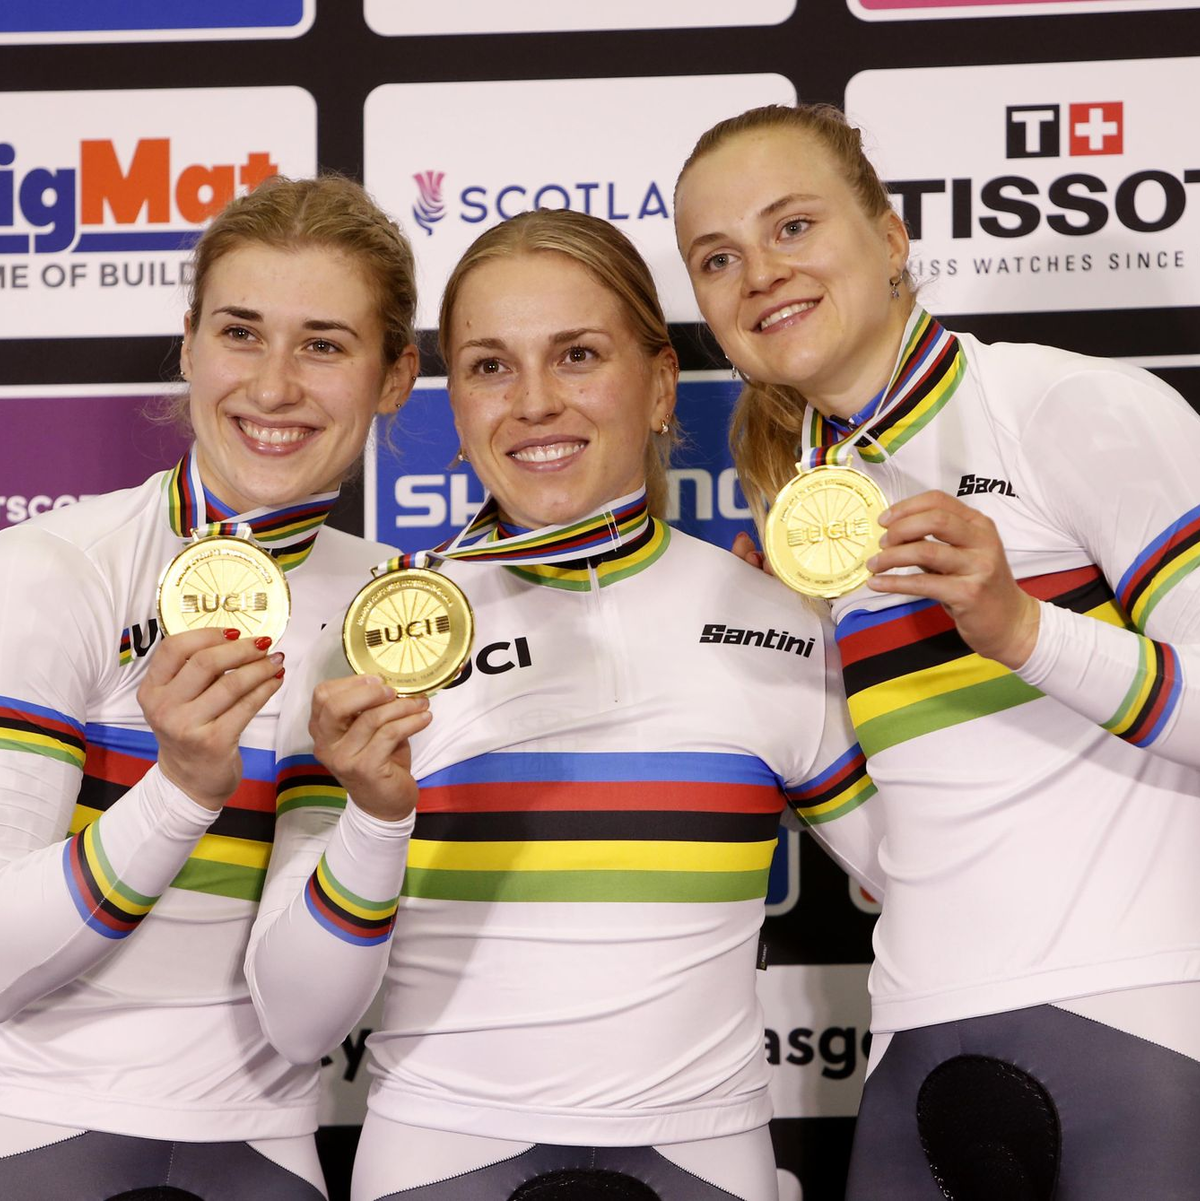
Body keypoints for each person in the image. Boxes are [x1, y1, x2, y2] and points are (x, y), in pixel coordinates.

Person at [244, 207, 884, 1201]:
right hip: (441, 1161)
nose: (535, 401)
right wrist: (373, 814)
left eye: (578, 354)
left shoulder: (776, 621)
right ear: (455, 403)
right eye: (492, 366)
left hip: (704, 1161)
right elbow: (295, 1020)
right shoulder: (380, 635)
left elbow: (928, 883)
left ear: (662, 382)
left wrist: (881, 642)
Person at [673, 102, 1200, 1199]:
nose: (760, 272)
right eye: (718, 257)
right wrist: (792, 676)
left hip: (1138, 1028)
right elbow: (897, 846)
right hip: (913, 1047)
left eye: (794, 226)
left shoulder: (1064, 406)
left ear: (893, 233)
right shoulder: (807, 515)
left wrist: (1023, 627)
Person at [0, 174, 420, 1200]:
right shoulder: (56, 569)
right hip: (36, 1128)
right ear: (188, 342)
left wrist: (377, 816)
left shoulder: (390, 608)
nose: (274, 386)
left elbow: (305, 1020)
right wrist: (182, 789)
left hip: (268, 1150)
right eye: (242, 333)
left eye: (324, 344)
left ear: (395, 376)